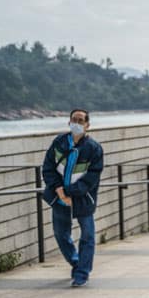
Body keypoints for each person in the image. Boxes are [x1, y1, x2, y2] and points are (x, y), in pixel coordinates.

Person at [42, 108, 104, 287]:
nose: (76, 123)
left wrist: (71, 193)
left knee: (87, 235)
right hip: (58, 196)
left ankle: (82, 274)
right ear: (69, 122)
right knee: (61, 234)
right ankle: (76, 262)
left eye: (80, 121)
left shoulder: (93, 149)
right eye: (74, 120)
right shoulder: (59, 142)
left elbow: (92, 177)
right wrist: (59, 189)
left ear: (87, 125)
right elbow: (47, 167)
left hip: (83, 198)